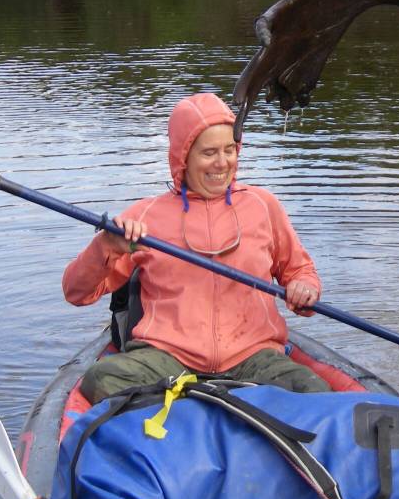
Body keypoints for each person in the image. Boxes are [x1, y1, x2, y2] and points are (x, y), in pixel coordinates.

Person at [62, 92, 330, 403]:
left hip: (253, 356)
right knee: (101, 378)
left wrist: (304, 289)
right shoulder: (144, 217)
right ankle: (201, 414)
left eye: (230, 149)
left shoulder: (263, 205)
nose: (222, 162)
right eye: (209, 152)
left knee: (315, 392)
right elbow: (76, 293)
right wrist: (107, 244)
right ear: (183, 157)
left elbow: (299, 271)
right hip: (168, 357)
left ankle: (188, 409)